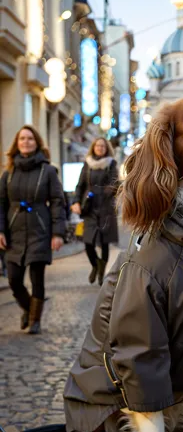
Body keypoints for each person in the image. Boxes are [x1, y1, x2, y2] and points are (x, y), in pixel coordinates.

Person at [0, 125, 66, 334]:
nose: (25, 142)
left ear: (36, 142)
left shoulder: (48, 171)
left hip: (40, 229)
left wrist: (57, 233)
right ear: (17, 144)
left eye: (29, 139)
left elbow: (57, 201)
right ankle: (29, 309)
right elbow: (1, 203)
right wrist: (0, 230)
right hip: (14, 231)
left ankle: (35, 321)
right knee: (14, 280)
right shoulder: (8, 173)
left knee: (37, 278)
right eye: (22, 139)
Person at [71, 138, 119, 286]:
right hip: (89, 208)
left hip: (105, 208)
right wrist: (76, 201)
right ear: (93, 147)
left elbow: (114, 183)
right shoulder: (88, 163)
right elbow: (80, 185)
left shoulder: (111, 163)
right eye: (97, 145)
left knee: (104, 243)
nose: (100, 148)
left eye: (103, 146)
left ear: (106, 148)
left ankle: (101, 272)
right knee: (88, 242)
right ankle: (95, 265)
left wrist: (105, 193)